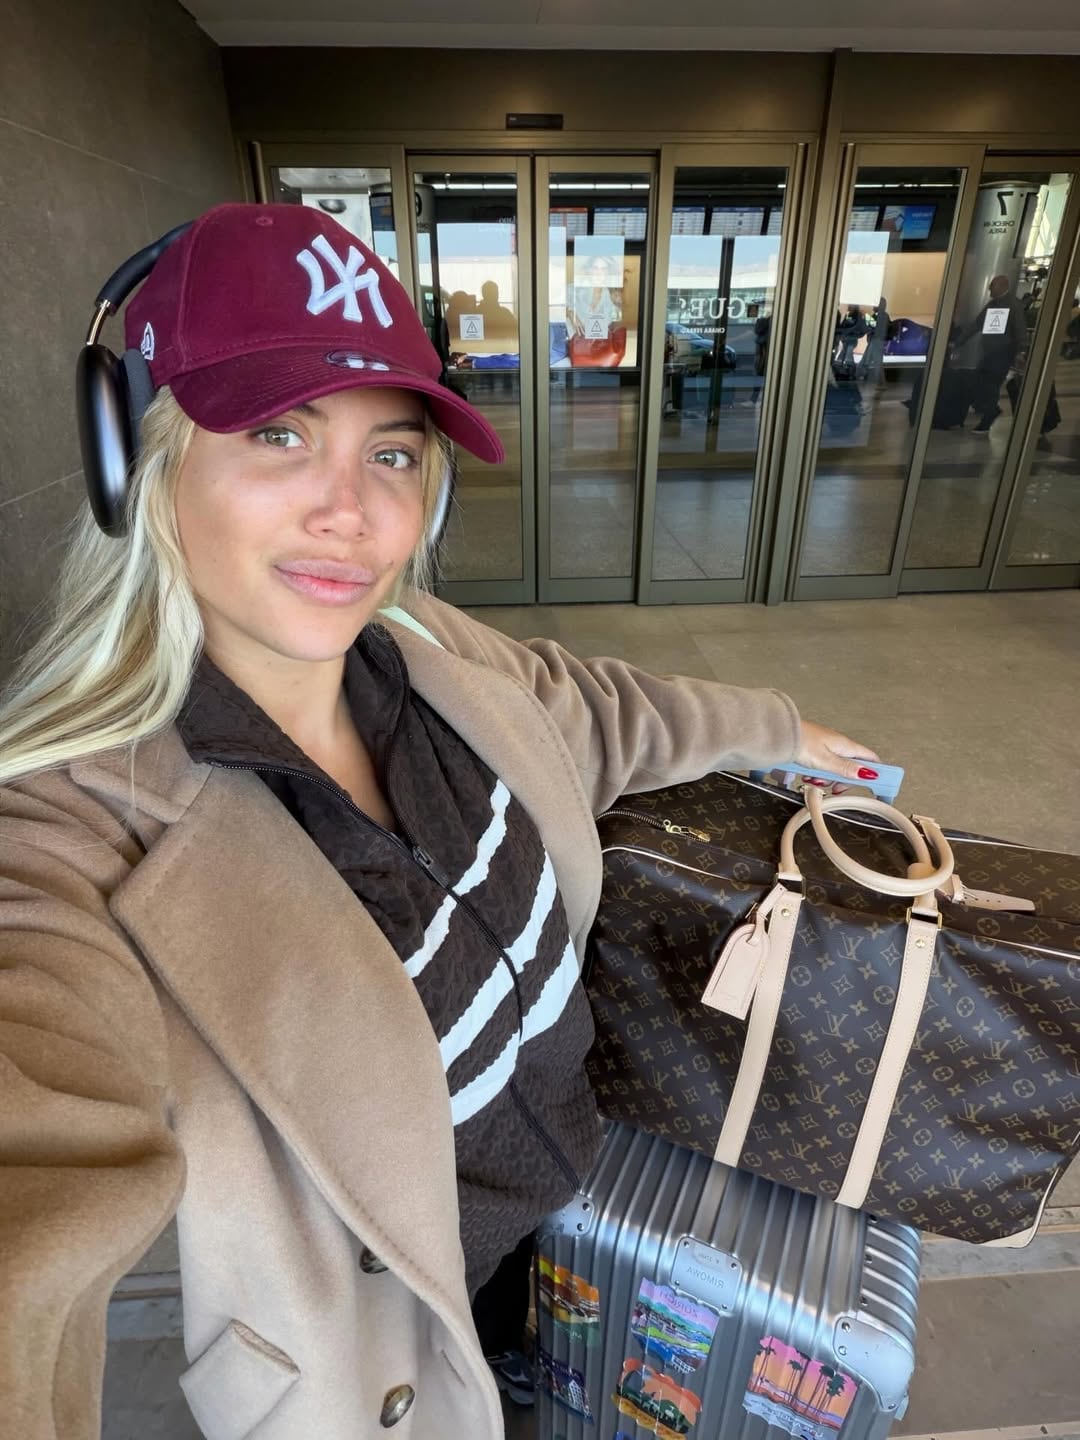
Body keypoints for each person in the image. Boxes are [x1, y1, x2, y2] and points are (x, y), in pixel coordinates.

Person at [0, 203, 880, 1440]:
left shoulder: (421, 652)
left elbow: (589, 707)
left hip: (575, 1219)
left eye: (394, 452)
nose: (350, 511)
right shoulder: (69, 843)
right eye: (276, 432)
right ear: (135, 465)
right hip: (406, 1346)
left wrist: (776, 727)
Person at [951, 273, 1028, 431]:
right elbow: (976, 325)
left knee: (991, 384)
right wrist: (958, 343)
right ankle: (987, 408)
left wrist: (1021, 350)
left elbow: (1020, 329)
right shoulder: (992, 305)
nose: (989, 289)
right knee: (983, 382)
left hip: (1003, 353)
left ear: (1002, 286)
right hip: (989, 353)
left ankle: (989, 415)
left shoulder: (1014, 305)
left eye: (992, 286)